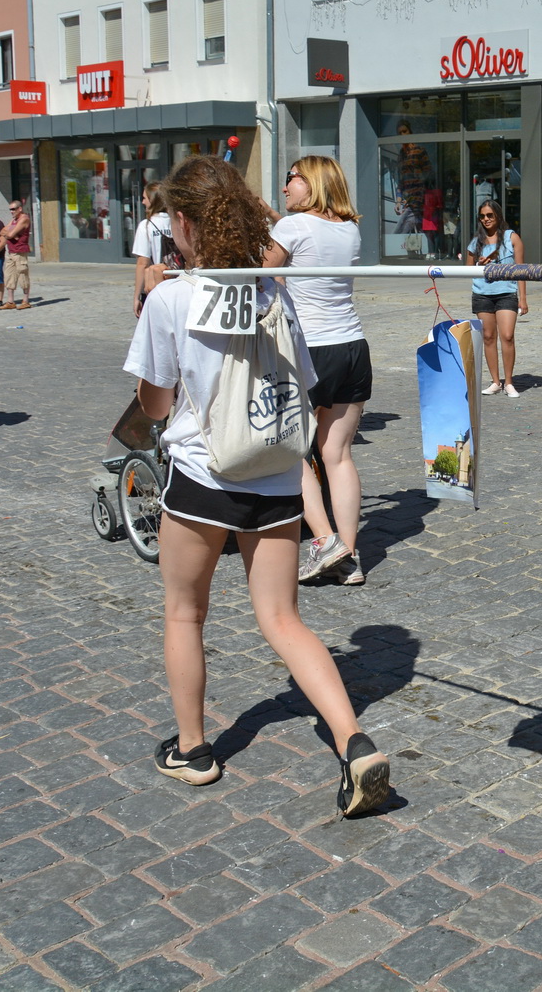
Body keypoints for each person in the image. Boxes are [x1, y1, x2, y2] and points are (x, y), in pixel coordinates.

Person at [126, 154, 389, 816]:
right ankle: (354, 739)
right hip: (274, 476)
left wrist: (155, 297)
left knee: (186, 611)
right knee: (283, 618)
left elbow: (154, 407)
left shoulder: (172, 296)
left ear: (184, 221)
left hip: (204, 476)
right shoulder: (273, 291)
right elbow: (298, 381)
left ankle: (193, 748)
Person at [263, 156, 372, 588]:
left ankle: (325, 541)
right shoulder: (349, 229)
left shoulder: (292, 227)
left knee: (291, 451)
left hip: (309, 349)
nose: (285, 186)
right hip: (352, 347)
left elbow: (257, 273)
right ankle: (349, 554)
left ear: (311, 184)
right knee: (338, 456)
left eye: (291, 178)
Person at [465, 200, 527, 395]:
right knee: (488, 337)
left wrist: (523, 299)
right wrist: (479, 265)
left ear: (498, 216)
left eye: (490, 215)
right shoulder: (476, 242)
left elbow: (521, 271)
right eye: (482, 216)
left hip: (507, 293)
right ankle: (495, 381)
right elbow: (466, 271)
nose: (486, 219)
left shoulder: (512, 237)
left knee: (507, 336)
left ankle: (509, 382)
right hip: (482, 293)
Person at [131, 183, 175, 317]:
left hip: (155, 284)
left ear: (153, 200)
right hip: (176, 281)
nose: (143, 201)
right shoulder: (176, 222)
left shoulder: (146, 225)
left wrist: (137, 296)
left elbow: (142, 263)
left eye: (145, 198)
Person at [0, 199, 32, 310]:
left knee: (23, 275)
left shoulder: (24, 219)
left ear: (20, 209)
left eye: (13, 209)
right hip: (11, 251)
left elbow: (10, 234)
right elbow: (2, 231)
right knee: (9, 275)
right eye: (10, 210)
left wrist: (11, 235)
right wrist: (10, 234)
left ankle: (25, 301)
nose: (11, 212)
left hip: (20, 251)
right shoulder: (14, 220)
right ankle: (10, 302)